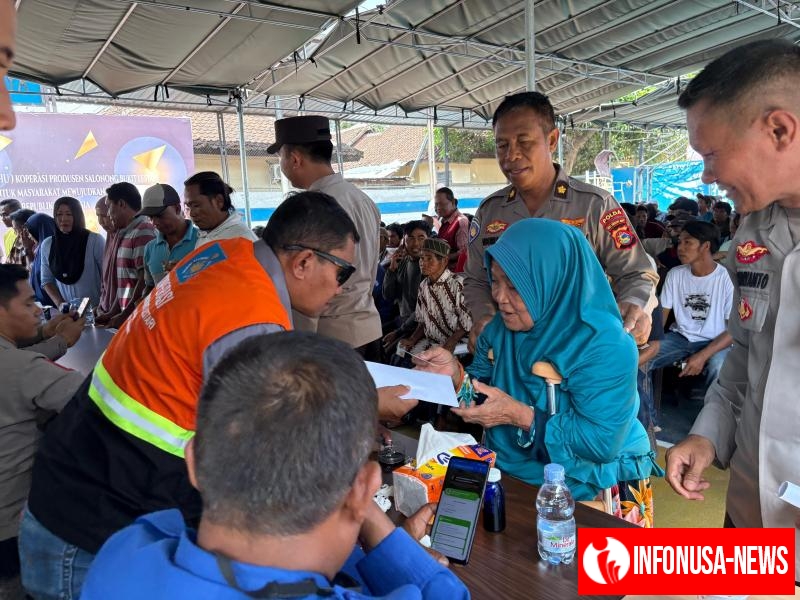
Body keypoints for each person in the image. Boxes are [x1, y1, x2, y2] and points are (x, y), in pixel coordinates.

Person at [19, 191, 362, 598]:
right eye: (343, 273)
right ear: (304, 262)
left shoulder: (228, 254)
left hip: (78, 483)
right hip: (93, 528)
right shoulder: (252, 319)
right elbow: (262, 467)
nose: (341, 289)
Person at [80, 332, 466, 599]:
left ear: (195, 461)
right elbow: (445, 594)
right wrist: (389, 543)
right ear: (363, 492)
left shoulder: (124, 553)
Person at [418, 219, 662, 524]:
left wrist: (519, 415)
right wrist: (455, 376)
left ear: (554, 282)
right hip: (514, 474)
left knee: (605, 569)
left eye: (515, 286)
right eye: (495, 281)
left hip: (592, 487)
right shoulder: (500, 330)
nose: (499, 297)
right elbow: (480, 395)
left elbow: (600, 443)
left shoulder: (606, 346)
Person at [664, 39, 800, 580]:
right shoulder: (753, 231)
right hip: (748, 518)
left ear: (779, 130)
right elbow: (744, 354)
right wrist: (708, 434)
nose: (705, 177)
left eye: (711, 155)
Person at [463, 92, 657, 349]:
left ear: (552, 140)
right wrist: (484, 317)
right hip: (513, 357)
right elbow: (475, 279)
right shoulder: (490, 212)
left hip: (580, 355)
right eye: (502, 145)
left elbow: (636, 272)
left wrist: (635, 305)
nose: (511, 156)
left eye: (524, 142)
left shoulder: (593, 205)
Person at [270, 115, 382, 360]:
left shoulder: (312, 209)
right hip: (368, 326)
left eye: (280, 158)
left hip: (333, 334)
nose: (282, 165)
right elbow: (372, 269)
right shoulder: (363, 199)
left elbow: (307, 284)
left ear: (295, 159)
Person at [0, 264, 85, 583]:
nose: (38, 311)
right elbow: (91, 401)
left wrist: (50, 336)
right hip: (12, 526)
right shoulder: (23, 368)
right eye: (28, 303)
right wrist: (62, 340)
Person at [645, 221, 734, 393]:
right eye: (680, 242)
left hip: (716, 341)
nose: (680, 247)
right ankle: (646, 416)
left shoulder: (726, 279)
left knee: (718, 366)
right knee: (640, 359)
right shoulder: (675, 274)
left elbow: (733, 331)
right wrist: (649, 344)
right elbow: (661, 318)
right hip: (681, 338)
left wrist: (702, 355)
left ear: (705, 246)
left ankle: (712, 416)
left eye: (688, 242)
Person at [94, 182, 155, 329]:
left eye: (109, 207)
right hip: (127, 318)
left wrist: (125, 314)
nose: (108, 214)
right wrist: (113, 312)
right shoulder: (126, 233)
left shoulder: (143, 231)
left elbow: (144, 281)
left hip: (138, 320)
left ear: (121, 204)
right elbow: (126, 284)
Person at [398, 238, 471, 355]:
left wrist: (451, 341)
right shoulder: (423, 285)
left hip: (458, 344)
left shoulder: (458, 284)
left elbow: (467, 323)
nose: (423, 262)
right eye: (421, 258)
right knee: (403, 357)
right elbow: (423, 321)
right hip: (431, 342)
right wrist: (412, 339)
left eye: (429, 258)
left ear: (444, 261)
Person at [40, 196, 104, 308]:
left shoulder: (94, 240)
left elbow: (107, 278)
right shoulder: (48, 245)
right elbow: (47, 280)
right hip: (69, 314)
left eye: (69, 214)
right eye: (59, 214)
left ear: (77, 216)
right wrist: (61, 305)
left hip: (96, 311)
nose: (63, 219)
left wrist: (103, 307)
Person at [381, 220, 430, 357]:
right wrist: (391, 271)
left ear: (428, 240)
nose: (415, 244)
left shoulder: (430, 268)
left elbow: (422, 311)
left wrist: (398, 332)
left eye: (421, 238)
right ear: (404, 241)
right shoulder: (404, 262)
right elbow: (388, 295)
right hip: (402, 320)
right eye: (411, 238)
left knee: (389, 353)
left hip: (418, 326)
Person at [139, 183, 198, 292]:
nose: (155, 222)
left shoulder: (202, 240)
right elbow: (150, 286)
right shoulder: (150, 249)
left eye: (160, 215)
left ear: (177, 208)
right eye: (151, 217)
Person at [184, 171, 256, 249]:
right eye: (188, 207)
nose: (192, 214)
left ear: (219, 201)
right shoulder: (204, 237)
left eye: (196, 205)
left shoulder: (242, 239)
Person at [22, 212, 57, 306]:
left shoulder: (52, 249)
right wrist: (28, 249)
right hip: (43, 305)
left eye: (30, 232)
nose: (29, 236)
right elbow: (33, 270)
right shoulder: (39, 249)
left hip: (55, 306)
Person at [433, 187, 469, 271]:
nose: (438, 208)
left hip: (455, 275)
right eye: (436, 204)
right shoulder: (444, 221)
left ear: (453, 203)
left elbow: (464, 252)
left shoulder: (461, 222)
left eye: (441, 204)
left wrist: (442, 258)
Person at [1, 198, 22, 264]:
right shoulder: (6, 235)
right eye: (1, 215)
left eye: (5, 215)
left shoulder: (31, 233)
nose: (3, 219)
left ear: (19, 212)